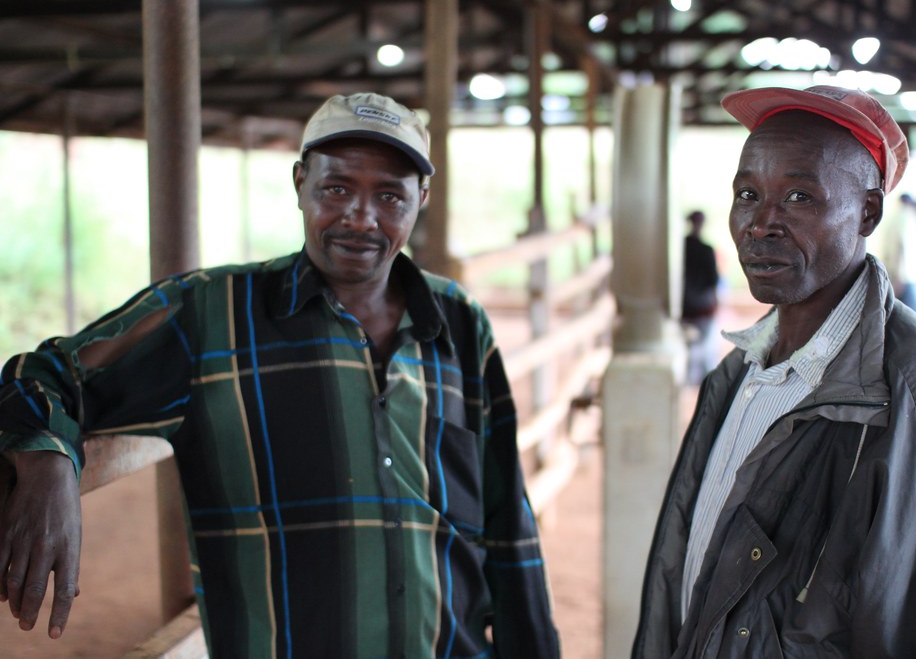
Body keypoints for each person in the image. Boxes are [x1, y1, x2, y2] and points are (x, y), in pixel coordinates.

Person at [0, 93, 560, 658]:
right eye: (337, 188)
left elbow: (506, 518)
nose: (360, 217)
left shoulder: (458, 321)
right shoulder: (210, 317)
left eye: (389, 195)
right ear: (299, 183)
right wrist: (49, 458)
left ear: (422, 198)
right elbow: (45, 373)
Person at [631, 85, 916, 657]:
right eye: (747, 193)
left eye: (798, 197)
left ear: (867, 211)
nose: (760, 223)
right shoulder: (738, 373)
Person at [681, 210, 721, 385]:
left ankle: (689, 382)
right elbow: (713, 281)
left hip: (684, 306)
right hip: (702, 306)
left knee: (687, 346)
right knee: (705, 349)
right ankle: (704, 385)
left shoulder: (680, 247)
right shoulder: (706, 250)